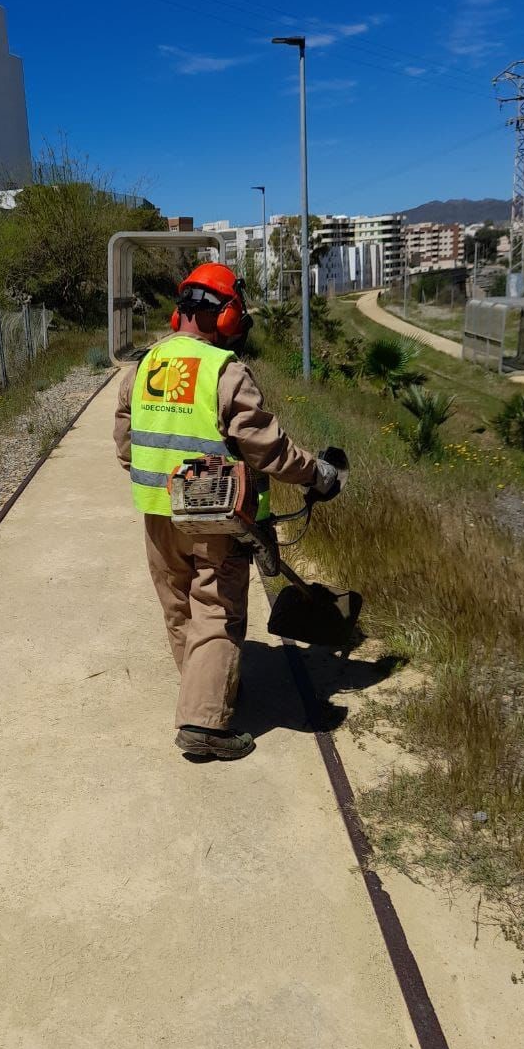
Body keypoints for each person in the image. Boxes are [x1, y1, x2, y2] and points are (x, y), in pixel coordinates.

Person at [114, 262, 337, 760]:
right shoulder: (225, 371)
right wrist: (320, 475)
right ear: (226, 315)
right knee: (215, 609)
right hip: (216, 517)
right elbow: (269, 451)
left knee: (179, 608)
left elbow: (125, 445)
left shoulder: (144, 363)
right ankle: (205, 726)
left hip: (157, 513)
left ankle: (208, 691)